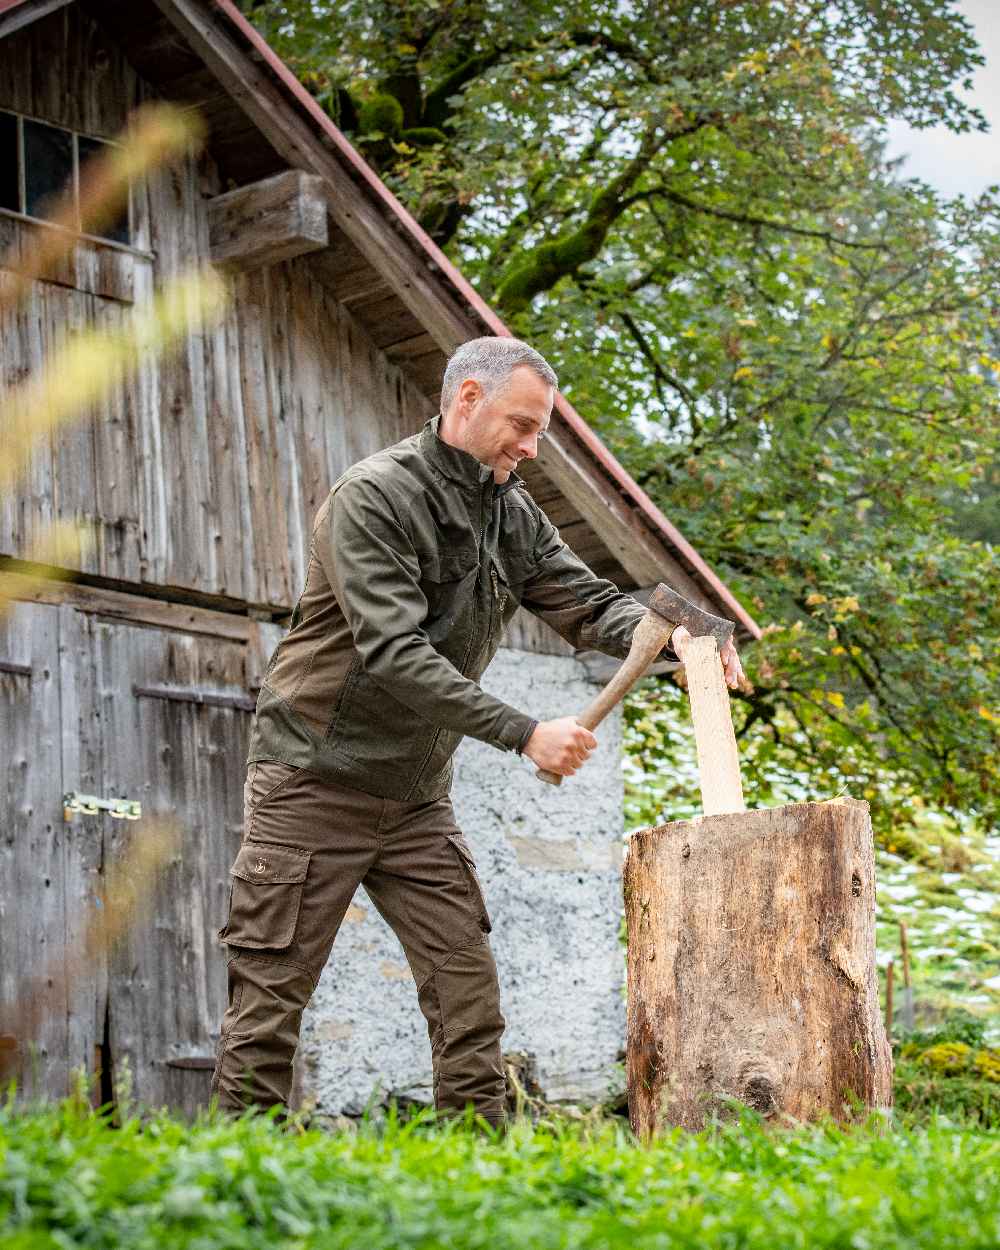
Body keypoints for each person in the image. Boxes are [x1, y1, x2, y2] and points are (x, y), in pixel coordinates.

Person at [211, 336, 745, 1128]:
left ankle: (477, 1176)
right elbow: (394, 653)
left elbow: (587, 601)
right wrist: (526, 732)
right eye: (521, 426)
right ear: (466, 399)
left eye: (541, 432)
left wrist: (670, 635)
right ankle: (229, 1182)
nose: (531, 448)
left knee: (468, 1000)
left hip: (416, 803)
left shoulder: (510, 510)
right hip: (312, 785)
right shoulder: (376, 498)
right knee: (269, 1003)